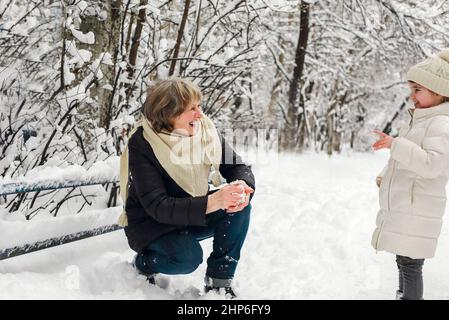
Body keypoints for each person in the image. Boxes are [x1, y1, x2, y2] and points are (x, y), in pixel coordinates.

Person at [117, 77, 255, 299]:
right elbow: (158, 206)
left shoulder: (205, 132)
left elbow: (237, 166)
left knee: (239, 205)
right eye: (192, 108)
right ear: (169, 113)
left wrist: (242, 184)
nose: (199, 114)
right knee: (187, 258)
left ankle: (218, 284)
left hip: (190, 213)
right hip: (153, 224)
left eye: (198, 106)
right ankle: (144, 263)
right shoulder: (143, 143)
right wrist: (214, 201)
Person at [372, 49, 449, 300]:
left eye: (418, 90)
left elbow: (432, 164)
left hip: (419, 207)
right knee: (403, 259)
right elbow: (403, 158)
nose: (411, 96)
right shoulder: (418, 120)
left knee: (410, 263)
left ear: (438, 91)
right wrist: (387, 174)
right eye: (411, 89)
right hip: (408, 206)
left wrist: (395, 144)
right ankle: (403, 296)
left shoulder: (441, 124)